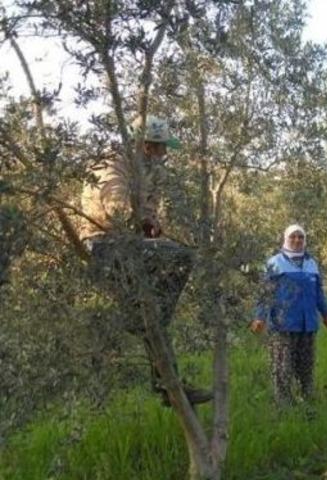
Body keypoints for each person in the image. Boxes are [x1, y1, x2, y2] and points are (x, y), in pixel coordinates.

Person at [79, 115, 212, 406]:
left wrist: (151, 222)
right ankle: (146, 322)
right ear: (146, 145)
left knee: (152, 312)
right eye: (160, 147)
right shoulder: (114, 163)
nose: (164, 153)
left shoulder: (148, 171)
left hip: (129, 247)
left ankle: (168, 383)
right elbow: (115, 206)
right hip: (104, 244)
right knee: (178, 257)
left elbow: (147, 211)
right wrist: (142, 220)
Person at [251, 224, 327, 408]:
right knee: (282, 366)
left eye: (300, 237)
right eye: (293, 237)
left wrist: (326, 314)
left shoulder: (311, 263)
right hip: (283, 324)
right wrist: (259, 317)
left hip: (308, 324)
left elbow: (318, 292)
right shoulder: (274, 262)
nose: (297, 240)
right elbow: (265, 293)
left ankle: (307, 396)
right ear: (285, 239)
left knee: (306, 364)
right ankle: (283, 404)